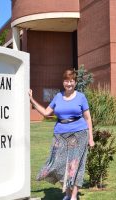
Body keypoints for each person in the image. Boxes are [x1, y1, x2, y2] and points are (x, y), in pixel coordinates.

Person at [29, 69, 95, 200]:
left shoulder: (81, 97)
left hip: (79, 134)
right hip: (60, 134)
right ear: (63, 82)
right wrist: (32, 100)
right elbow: (46, 112)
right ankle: (68, 193)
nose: (69, 83)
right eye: (66, 81)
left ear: (75, 83)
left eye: (71, 81)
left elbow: (88, 118)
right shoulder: (58, 96)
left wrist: (91, 138)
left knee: (75, 166)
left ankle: (73, 196)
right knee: (56, 164)